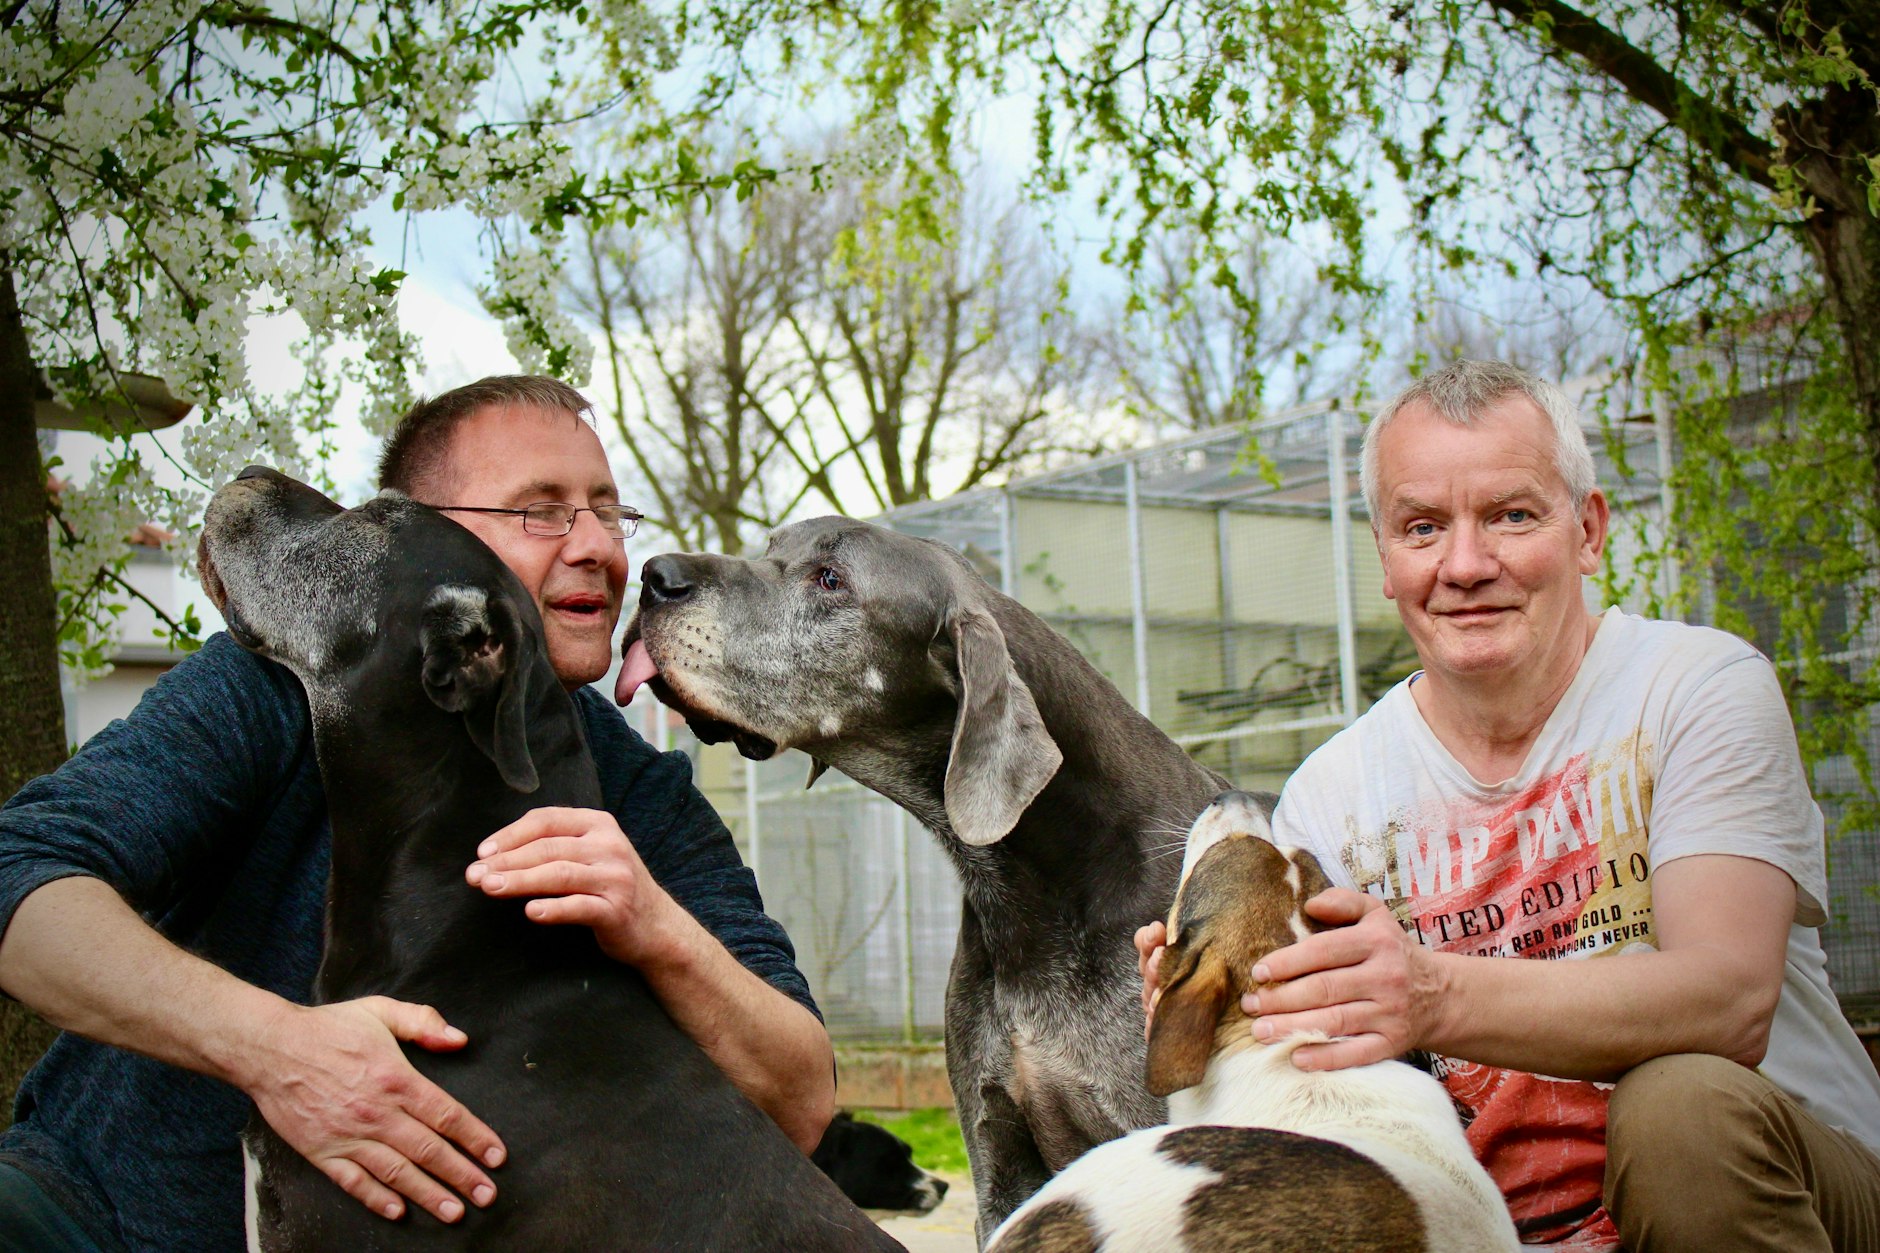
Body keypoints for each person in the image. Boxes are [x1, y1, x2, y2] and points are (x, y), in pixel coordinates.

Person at [0, 376, 835, 1252]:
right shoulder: (279, 694)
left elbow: (803, 1097)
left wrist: (656, 927)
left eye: (607, 511)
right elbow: (21, 881)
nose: (596, 546)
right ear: (423, 539)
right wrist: (281, 1051)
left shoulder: (642, 801)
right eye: (540, 511)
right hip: (85, 1217)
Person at [1139, 359, 1880, 1250]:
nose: (1465, 564)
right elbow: (1313, 1077)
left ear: (1589, 530)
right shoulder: (1332, 794)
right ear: (1384, 558)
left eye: (1511, 515)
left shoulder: (1699, 687)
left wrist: (1432, 993)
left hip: (1781, 1186)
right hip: (1494, 1231)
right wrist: (1220, 1011)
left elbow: (1729, 1000)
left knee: (1680, 1110)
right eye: (1422, 527)